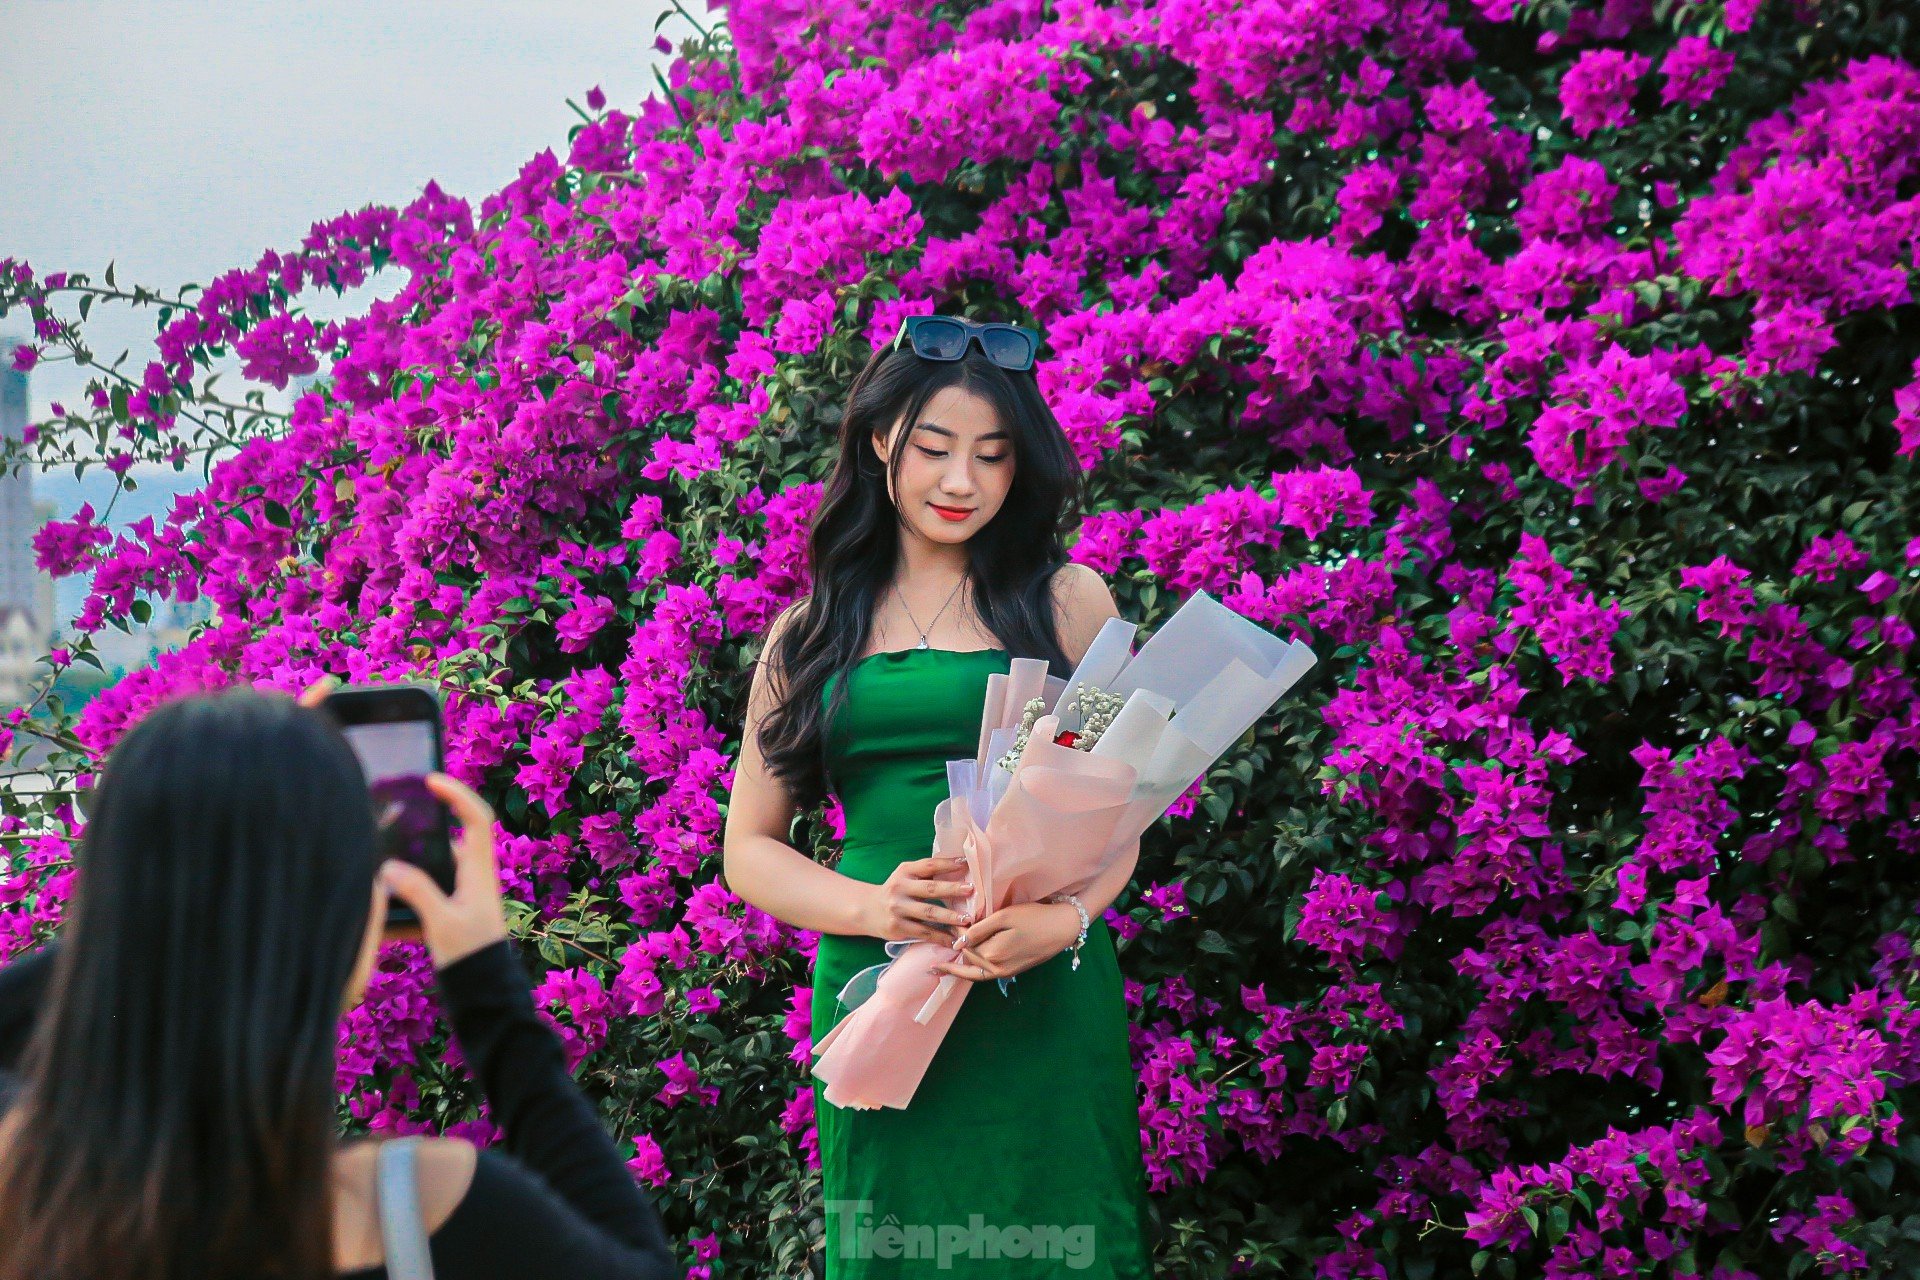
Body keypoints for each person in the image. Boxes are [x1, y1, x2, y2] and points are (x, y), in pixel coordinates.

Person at [722, 314, 1156, 1277]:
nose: (962, 482)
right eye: (934, 449)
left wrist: (1070, 919)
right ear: (883, 442)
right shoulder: (808, 634)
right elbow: (747, 849)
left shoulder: (1066, 601)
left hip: (1040, 993)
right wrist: (873, 905)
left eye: (992, 458)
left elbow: (1125, 804)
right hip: (882, 995)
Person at [0, 680, 681, 1280]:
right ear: (339, 911)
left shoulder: (27, 1190)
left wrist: (167, 914)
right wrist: (483, 980)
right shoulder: (419, 1209)